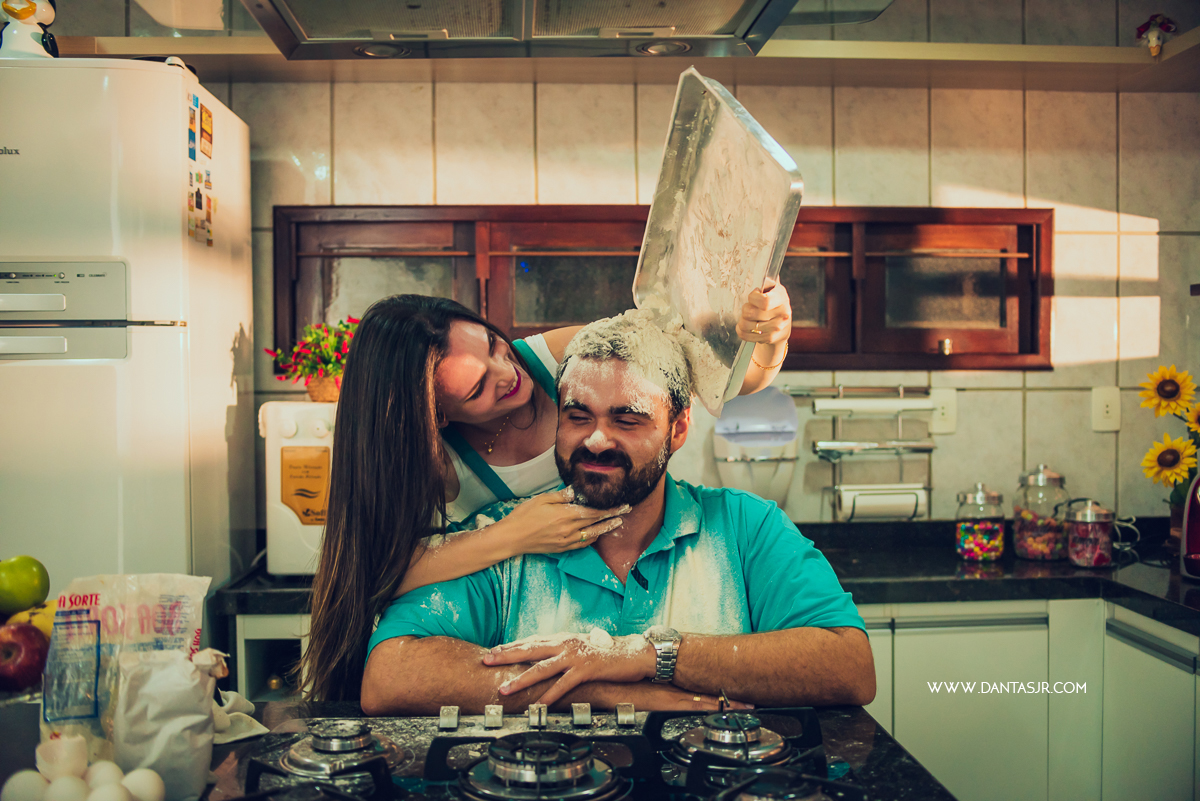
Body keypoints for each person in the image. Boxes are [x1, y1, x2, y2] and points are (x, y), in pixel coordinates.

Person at [360, 311, 874, 715]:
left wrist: (649, 655)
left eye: (628, 418)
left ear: (677, 429)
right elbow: (389, 677)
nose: (598, 439)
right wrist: (596, 687)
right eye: (578, 416)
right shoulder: (504, 543)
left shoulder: (746, 528)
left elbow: (849, 668)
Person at [300, 288, 793, 702]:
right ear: (438, 416)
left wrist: (769, 340)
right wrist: (512, 535)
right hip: (527, 621)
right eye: (477, 390)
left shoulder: (554, 357)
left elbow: (717, 373)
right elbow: (375, 570)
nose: (506, 374)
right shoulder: (437, 463)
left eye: (493, 345)